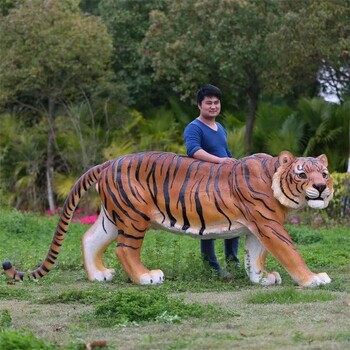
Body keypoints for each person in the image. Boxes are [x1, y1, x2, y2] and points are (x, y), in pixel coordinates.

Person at [184, 84, 240, 279]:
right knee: (208, 223)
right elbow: (193, 151)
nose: (213, 106)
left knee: (234, 220)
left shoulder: (220, 127)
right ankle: (211, 266)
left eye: (216, 103)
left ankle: (233, 262)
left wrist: (234, 163)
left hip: (225, 183)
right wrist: (220, 161)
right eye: (208, 103)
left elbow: (225, 152)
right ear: (200, 105)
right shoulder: (194, 127)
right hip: (205, 185)